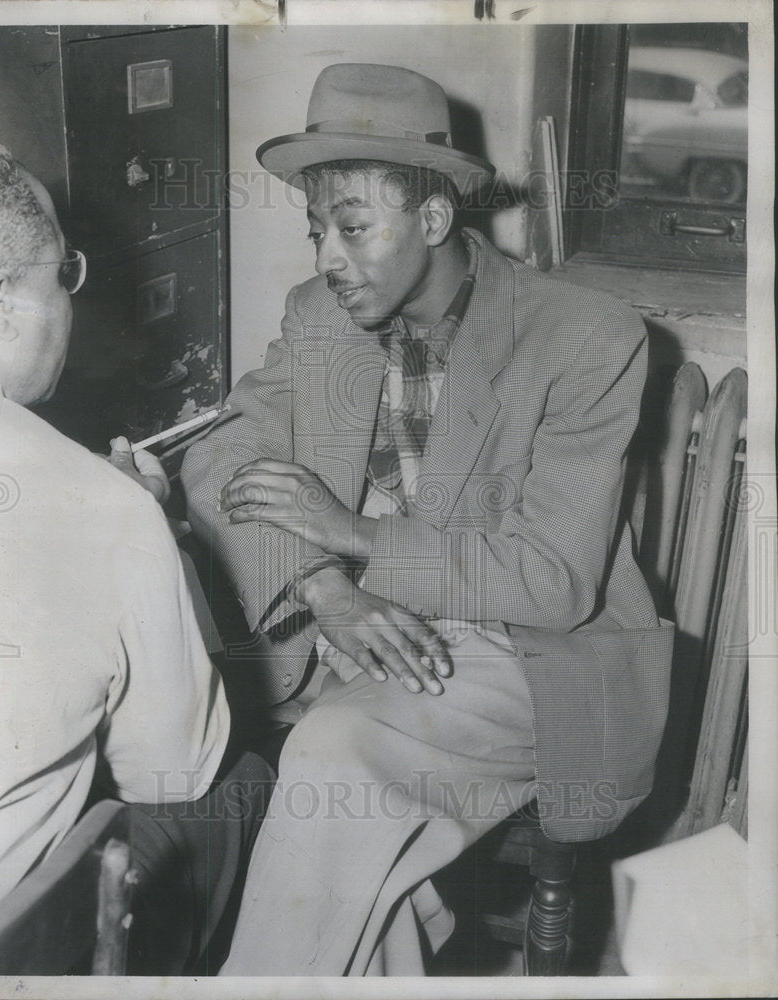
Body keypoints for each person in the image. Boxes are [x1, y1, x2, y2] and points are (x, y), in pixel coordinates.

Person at [181, 64, 674, 975]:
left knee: (331, 758)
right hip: (368, 638)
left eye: (354, 228)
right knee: (336, 826)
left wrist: (353, 533)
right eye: (318, 229)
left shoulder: (585, 335)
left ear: (436, 219)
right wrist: (324, 585)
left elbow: (554, 582)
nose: (327, 257)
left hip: (535, 655)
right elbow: (220, 455)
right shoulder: (319, 318)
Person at [0, 139, 273, 974]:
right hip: (5, 944)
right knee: (248, 777)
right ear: (0, 305)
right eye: (62, 274)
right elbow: (170, 773)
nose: (72, 297)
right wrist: (141, 526)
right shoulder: (108, 508)